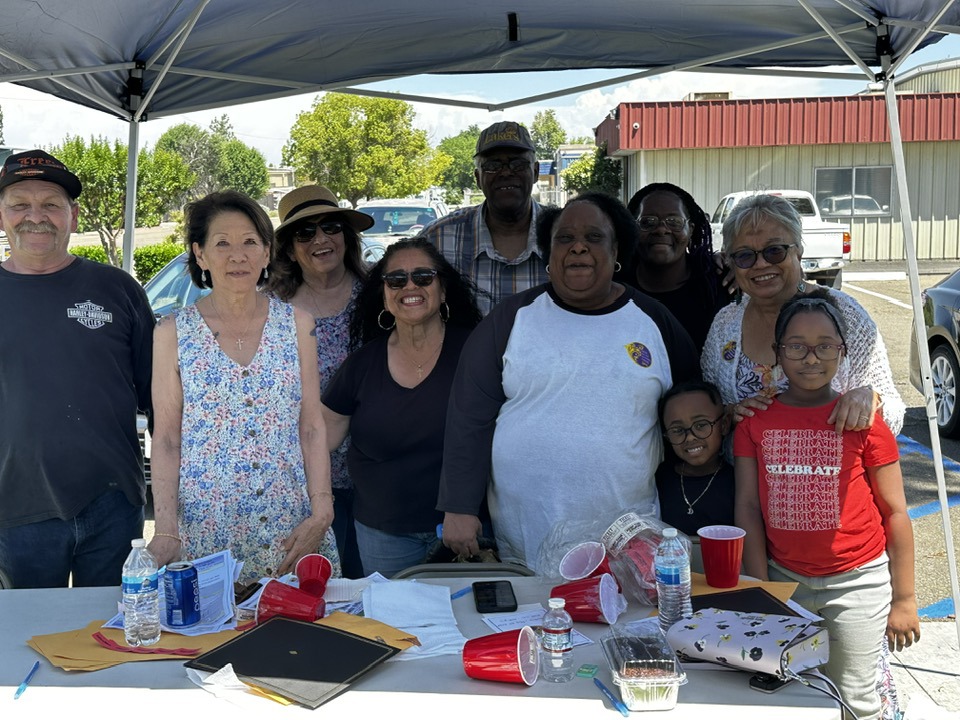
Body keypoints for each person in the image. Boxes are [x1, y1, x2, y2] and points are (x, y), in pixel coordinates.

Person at [438, 193, 700, 572]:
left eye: (594, 237)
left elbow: (692, 414)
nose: (578, 247)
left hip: (627, 536)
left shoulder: (654, 322)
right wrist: (460, 507)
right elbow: (469, 417)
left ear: (617, 252)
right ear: (549, 254)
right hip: (525, 534)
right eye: (565, 238)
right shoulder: (511, 319)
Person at [734, 293, 920, 720]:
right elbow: (747, 507)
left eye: (825, 346)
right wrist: (762, 588)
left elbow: (895, 512)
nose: (811, 357)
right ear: (778, 352)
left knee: (856, 698)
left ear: (843, 351)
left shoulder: (863, 420)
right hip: (785, 579)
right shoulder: (754, 422)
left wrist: (905, 599)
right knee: (790, 694)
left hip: (857, 584)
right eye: (796, 346)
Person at [149, 190, 340, 583]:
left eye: (250, 242)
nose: (238, 256)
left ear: (267, 253)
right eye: (222, 243)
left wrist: (322, 511)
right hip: (208, 532)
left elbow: (311, 426)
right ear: (200, 254)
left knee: (303, 621)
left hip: (291, 526)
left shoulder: (298, 324)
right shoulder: (171, 332)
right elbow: (166, 438)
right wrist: (166, 531)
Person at [0, 149, 154, 589]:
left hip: (115, 504)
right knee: (30, 628)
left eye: (51, 204)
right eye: (20, 204)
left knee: (113, 626)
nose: (36, 217)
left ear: (74, 215)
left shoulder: (118, 289)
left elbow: (160, 398)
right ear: (1, 215)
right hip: (17, 510)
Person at [321, 238, 482, 577]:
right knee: (392, 614)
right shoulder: (361, 365)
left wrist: (465, 508)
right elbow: (318, 439)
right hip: (382, 534)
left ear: (443, 289)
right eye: (396, 280)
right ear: (384, 295)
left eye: (423, 276)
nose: (410, 286)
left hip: (465, 528)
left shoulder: (476, 352)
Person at [702, 192, 905, 435]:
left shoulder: (845, 314)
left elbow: (894, 414)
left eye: (774, 251)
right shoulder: (725, 324)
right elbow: (707, 410)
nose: (761, 264)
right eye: (745, 255)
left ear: (798, 251)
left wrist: (870, 401)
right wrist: (730, 414)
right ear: (731, 262)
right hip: (745, 461)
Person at [265, 185, 375, 579]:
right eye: (305, 232)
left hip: (375, 474)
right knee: (317, 590)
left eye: (331, 227)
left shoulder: (379, 295)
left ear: (347, 236)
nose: (320, 239)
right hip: (304, 481)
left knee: (370, 591)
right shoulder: (270, 309)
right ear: (289, 250)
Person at [420, 121, 548, 315]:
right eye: (492, 166)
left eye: (518, 164)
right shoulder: (437, 239)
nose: (506, 172)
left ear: (536, 172)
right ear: (478, 178)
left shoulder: (565, 234)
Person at [625, 182, 729, 351]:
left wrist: (742, 270)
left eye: (674, 222)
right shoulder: (615, 285)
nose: (661, 230)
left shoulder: (719, 283)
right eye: (648, 222)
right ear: (633, 228)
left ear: (691, 230)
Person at [655, 380, 734, 536]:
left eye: (700, 425)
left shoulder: (739, 483)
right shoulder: (659, 480)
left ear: (724, 424)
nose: (690, 437)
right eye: (677, 430)